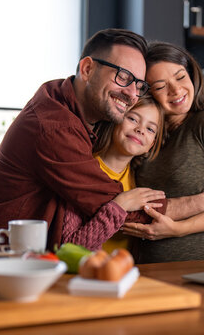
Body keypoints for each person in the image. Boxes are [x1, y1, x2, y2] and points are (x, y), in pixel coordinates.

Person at [0, 29, 204, 251]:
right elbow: (118, 207)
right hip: (15, 263)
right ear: (87, 69)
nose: (132, 94)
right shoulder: (55, 128)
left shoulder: (64, 101)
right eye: (123, 77)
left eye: (139, 85)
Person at [122, 41, 204, 263]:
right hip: (152, 271)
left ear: (192, 75)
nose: (176, 90)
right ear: (148, 92)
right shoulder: (144, 135)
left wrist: (178, 229)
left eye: (180, 77)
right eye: (161, 86)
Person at [62, 96, 165, 251]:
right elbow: (70, 248)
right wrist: (119, 205)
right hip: (89, 271)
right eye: (133, 119)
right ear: (116, 119)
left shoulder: (139, 178)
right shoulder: (82, 171)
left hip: (127, 272)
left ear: (152, 144)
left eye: (150, 129)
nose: (140, 130)